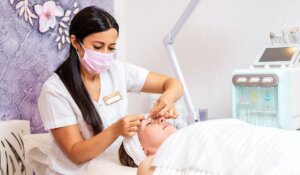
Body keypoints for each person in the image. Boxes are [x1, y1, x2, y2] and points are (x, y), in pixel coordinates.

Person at [38, 6, 183, 174]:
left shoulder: (118, 70)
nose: (105, 54)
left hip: (108, 167)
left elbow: (173, 84)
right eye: (98, 46)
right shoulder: (55, 90)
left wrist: (168, 98)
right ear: (76, 42)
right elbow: (75, 153)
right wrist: (115, 130)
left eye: (111, 47)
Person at [120, 118, 300, 175]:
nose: (161, 119)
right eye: (150, 123)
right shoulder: (151, 164)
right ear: (142, 150)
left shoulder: (192, 133)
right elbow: (144, 169)